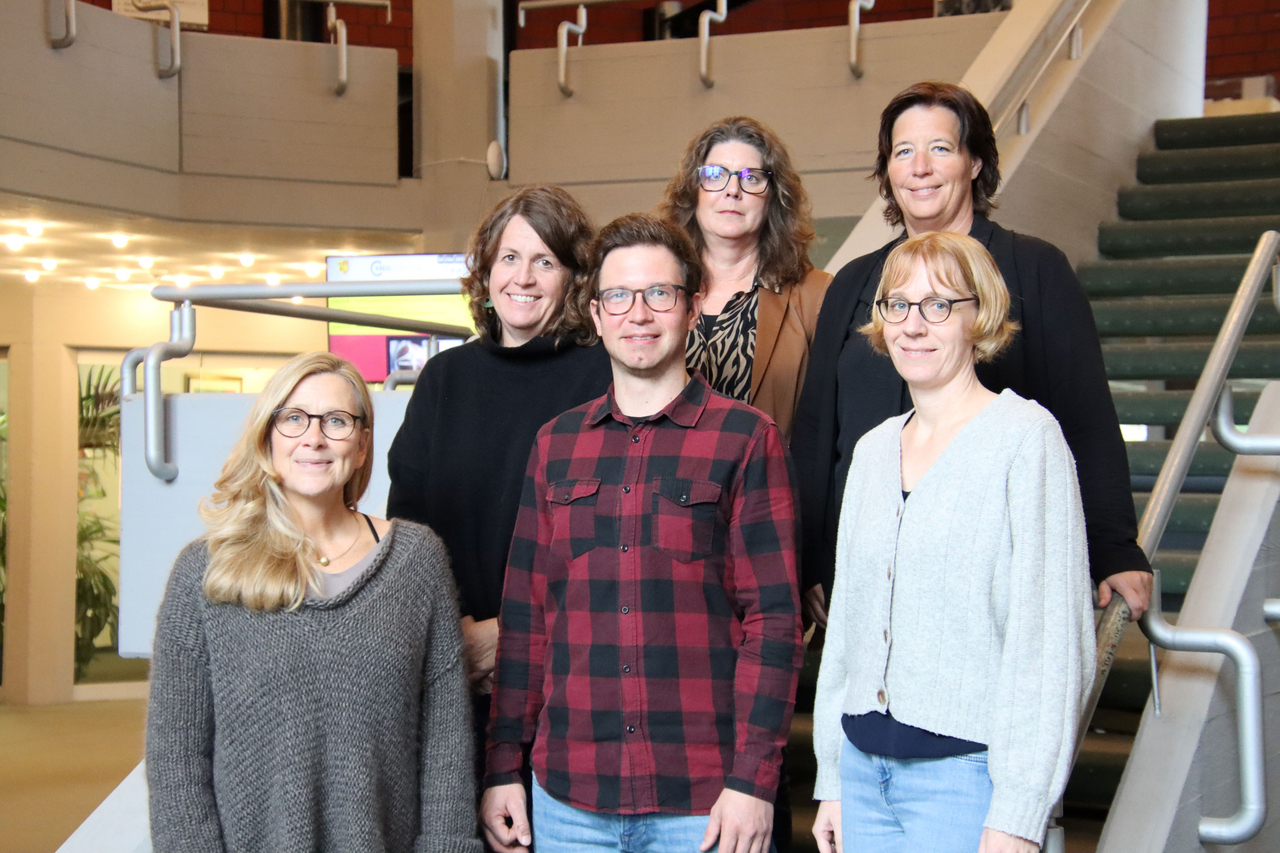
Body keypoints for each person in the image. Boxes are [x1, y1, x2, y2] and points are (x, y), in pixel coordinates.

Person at [480, 213, 803, 853]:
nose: (639, 314)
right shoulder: (556, 446)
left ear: (693, 306)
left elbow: (774, 623)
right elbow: (526, 621)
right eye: (619, 297)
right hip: (568, 798)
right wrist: (501, 768)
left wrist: (753, 781)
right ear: (596, 316)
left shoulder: (747, 439)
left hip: (705, 802)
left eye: (660, 294)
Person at [791, 82, 1152, 630]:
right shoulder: (853, 283)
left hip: (987, 568)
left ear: (975, 162)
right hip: (863, 559)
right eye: (902, 152)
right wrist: (811, 557)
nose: (920, 168)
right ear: (886, 170)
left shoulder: (1034, 269)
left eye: (940, 148)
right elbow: (820, 428)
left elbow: (1086, 419)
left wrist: (1114, 547)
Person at [810, 231, 1095, 853]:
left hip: (965, 781)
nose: (914, 324)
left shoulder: (1025, 439)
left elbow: (1050, 644)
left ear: (979, 316)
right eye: (898, 305)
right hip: (862, 774)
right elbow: (850, 626)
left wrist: (1021, 812)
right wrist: (830, 774)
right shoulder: (873, 449)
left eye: (939, 305)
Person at [147, 352, 478, 853]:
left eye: (337, 421)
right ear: (268, 436)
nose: (314, 438)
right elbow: (177, 761)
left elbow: (445, 748)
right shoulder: (206, 572)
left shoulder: (417, 562)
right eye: (295, 418)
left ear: (363, 444)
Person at [385, 186, 613, 794]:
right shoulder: (444, 379)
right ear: (485, 272)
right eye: (509, 258)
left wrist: (514, 637)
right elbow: (408, 525)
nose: (524, 277)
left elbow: (613, 535)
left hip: (570, 671)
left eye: (546, 261)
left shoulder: (604, 375)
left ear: (574, 278)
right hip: (454, 666)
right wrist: (457, 632)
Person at [659, 116, 831, 444]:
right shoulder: (658, 291)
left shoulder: (816, 295)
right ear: (694, 191)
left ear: (773, 197)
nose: (732, 190)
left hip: (767, 488)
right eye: (715, 175)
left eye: (751, 178)